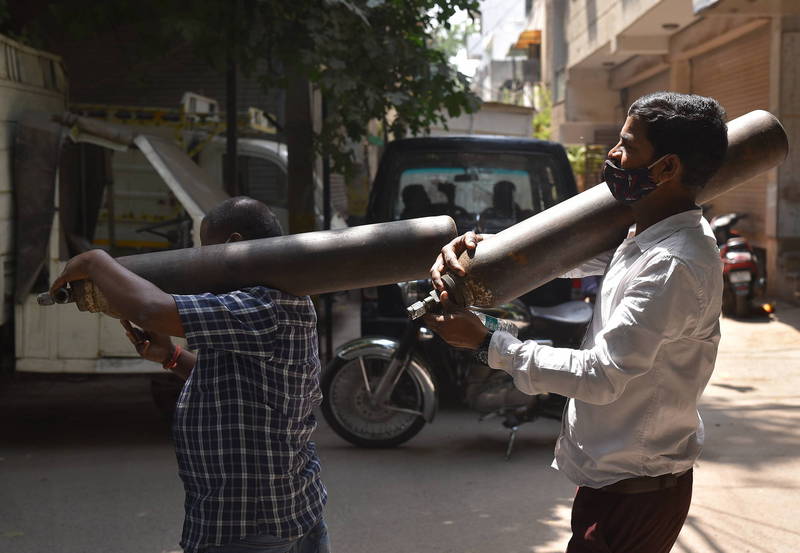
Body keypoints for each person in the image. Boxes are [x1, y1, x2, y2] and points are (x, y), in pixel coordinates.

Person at [426, 92, 728, 553]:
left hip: (636, 495)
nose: (612, 154)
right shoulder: (647, 233)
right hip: (615, 483)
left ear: (667, 168)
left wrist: (490, 342)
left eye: (626, 145)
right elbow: (563, 257)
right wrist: (484, 251)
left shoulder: (672, 263)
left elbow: (602, 375)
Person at [49, 196, 329, 553]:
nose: (202, 264)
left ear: (235, 245)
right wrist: (172, 357)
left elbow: (150, 309)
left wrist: (95, 261)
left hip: (250, 526)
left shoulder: (263, 305)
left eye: (206, 251)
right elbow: (243, 387)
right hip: (286, 514)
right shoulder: (271, 300)